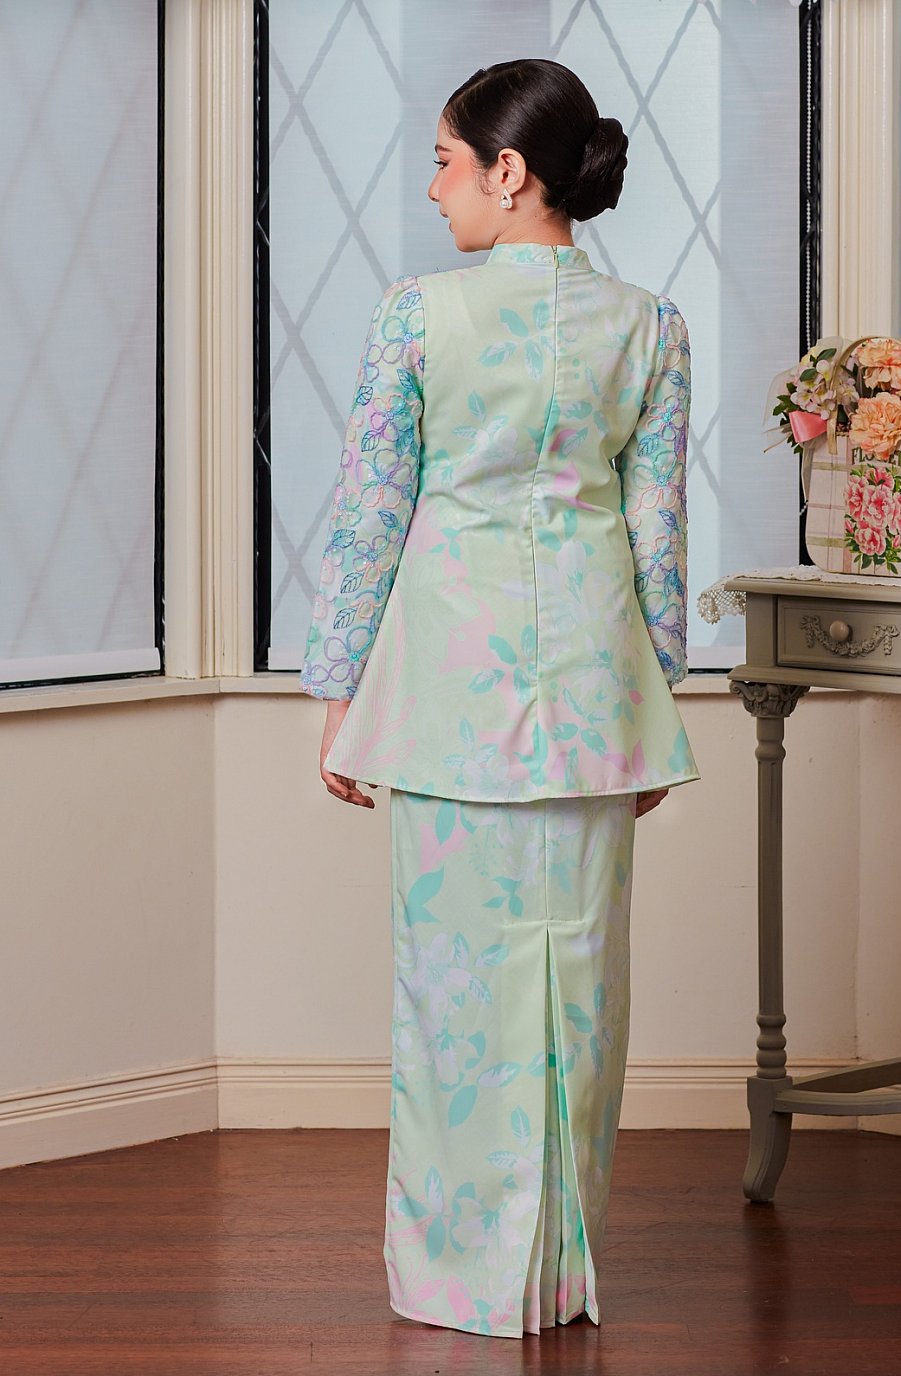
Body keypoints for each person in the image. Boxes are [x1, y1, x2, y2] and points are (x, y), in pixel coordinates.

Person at [299, 57, 701, 1340]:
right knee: (577, 995)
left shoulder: (417, 317)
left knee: (452, 1001)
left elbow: (371, 513)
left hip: (442, 700)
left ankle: (458, 1278)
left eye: (444, 162)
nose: (433, 189)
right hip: (593, 704)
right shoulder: (651, 327)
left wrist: (339, 690)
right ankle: (555, 1277)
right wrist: (655, 700)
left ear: (508, 171)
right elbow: (656, 537)